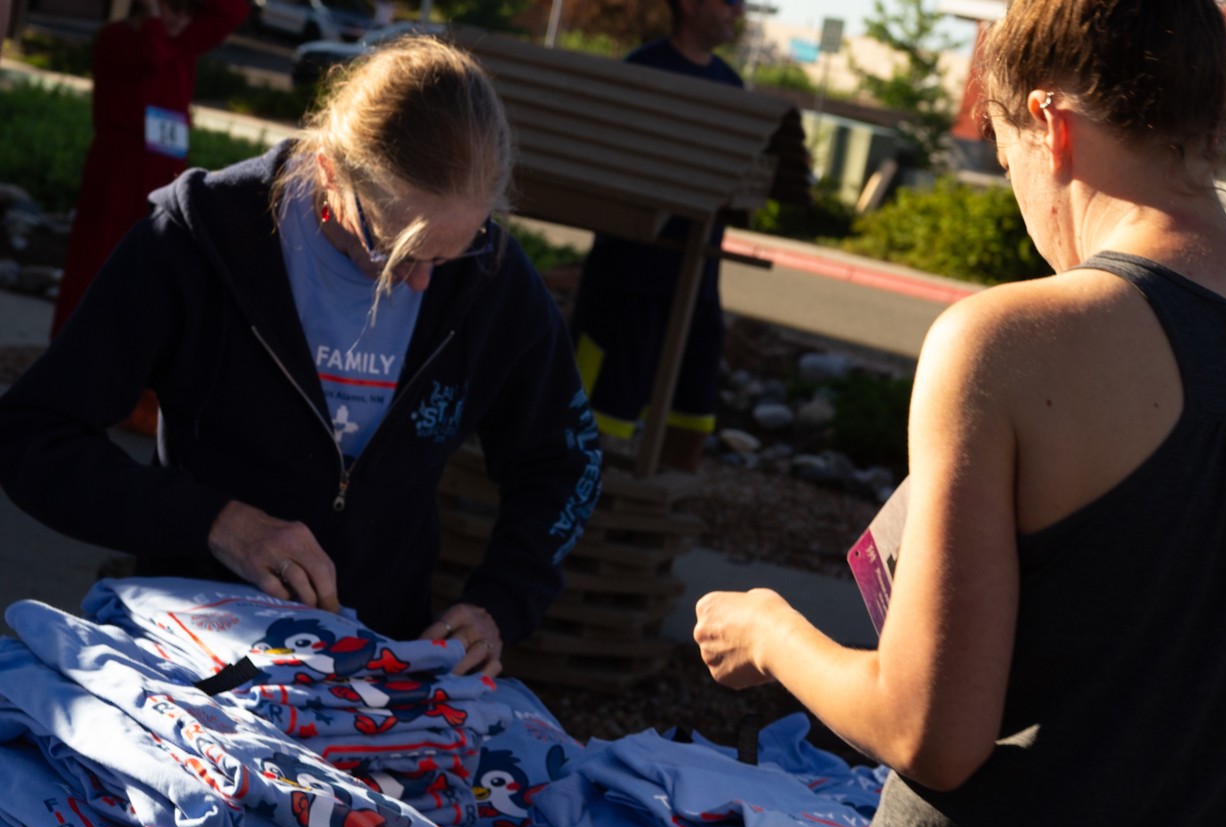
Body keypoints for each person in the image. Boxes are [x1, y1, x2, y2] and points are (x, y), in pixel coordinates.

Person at [694, 0, 1226, 827]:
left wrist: (768, 630)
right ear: (1210, 121)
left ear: (1048, 123)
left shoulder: (1004, 344)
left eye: (1000, 141)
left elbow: (930, 731)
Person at [0, 36, 603, 678]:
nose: (422, 281)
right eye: (392, 250)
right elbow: (32, 435)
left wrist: (500, 604)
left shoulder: (492, 278)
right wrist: (215, 523)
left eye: (451, 253)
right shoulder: (198, 240)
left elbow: (566, 461)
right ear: (328, 171)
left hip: (374, 664)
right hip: (191, 651)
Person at [49, 0, 248, 436]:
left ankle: (133, 388)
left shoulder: (182, 44)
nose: (179, 20)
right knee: (95, 263)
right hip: (118, 168)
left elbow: (229, 12)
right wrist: (157, 17)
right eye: (172, 9)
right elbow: (148, 56)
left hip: (163, 172)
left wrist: (173, 19)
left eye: (187, 12)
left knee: (155, 277)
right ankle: (70, 373)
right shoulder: (118, 38)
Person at [569, 0, 744, 472]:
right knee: (587, 420)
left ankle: (649, 511)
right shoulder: (644, 69)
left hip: (697, 285)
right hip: (627, 281)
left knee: (691, 421)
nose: (738, 11)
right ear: (689, 5)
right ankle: (568, 506)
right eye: (729, 1)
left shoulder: (731, 86)